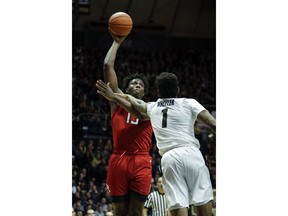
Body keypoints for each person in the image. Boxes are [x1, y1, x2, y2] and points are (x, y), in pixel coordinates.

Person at [96, 72, 216, 216]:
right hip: (191, 153)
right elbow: (214, 125)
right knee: (202, 201)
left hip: (169, 158)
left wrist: (115, 96)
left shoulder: (153, 107)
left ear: (158, 92)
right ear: (177, 89)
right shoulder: (189, 102)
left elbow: (137, 106)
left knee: (178, 204)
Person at [100, 33, 153, 216]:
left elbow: (138, 110)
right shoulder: (116, 103)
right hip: (119, 159)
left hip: (141, 160)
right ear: (127, 88)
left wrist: (115, 95)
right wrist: (116, 43)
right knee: (119, 212)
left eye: (140, 84)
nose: (137, 85)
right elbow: (108, 66)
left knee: (137, 213)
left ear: (144, 91)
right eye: (133, 83)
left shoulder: (150, 108)